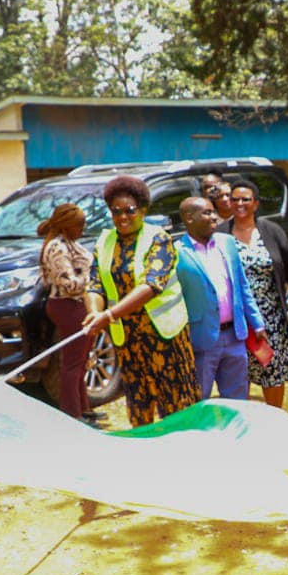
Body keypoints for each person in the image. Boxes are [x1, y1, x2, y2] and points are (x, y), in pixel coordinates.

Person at [82, 175, 201, 426]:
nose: (123, 217)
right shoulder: (105, 241)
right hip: (129, 341)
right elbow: (94, 283)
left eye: (130, 210)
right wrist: (94, 312)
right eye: (116, 212)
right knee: (139, 405)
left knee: (177, 407)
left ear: (143, 210)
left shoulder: (159, 238)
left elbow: (151, 285)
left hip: (165, 338)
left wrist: (109, 315)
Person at [218, 181, 288, 409]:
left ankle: (274, 420)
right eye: (235, 199)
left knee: (272, 370)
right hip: (237, 320)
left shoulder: (272, 231)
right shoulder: (220, 234)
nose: (240, 204)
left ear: (256, 204)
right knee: (240, 373)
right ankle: (244, 424)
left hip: (271, 317)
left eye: (245, 199)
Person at [175, 196, 269, 401]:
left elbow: (242, 286)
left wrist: (257, 323)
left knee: (237, 400)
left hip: (235, 336)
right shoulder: (177, 253)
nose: (214, 217)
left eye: (213, 212)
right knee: (199, 400)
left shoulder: (226, 243)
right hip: (202, 339)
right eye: (207, 213)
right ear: (189, 218)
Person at [37, 202, 95, 417]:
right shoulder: (56, 248)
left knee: (81, 361)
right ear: (66, 226)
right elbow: (68, 284)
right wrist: (92, 278)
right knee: (72, 363)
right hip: (66, 305)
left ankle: (84, 407)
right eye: (79, 226)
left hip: (78, 305)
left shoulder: (70, 243)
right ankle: (72, 413)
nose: (82, 230)